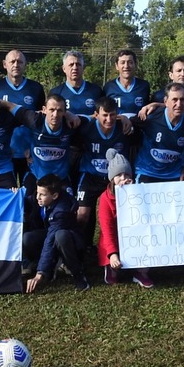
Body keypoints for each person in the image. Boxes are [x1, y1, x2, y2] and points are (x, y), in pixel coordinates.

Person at [74, 97, 132, 236]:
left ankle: (117, 245)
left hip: (115, 178)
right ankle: (80, 247)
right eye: (104, 115)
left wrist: (126, 119)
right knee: (82, 214)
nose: (108, 119)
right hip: (89, 175)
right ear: (96, 115)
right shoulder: (85, 128)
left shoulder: (124, 128)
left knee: (122, 213)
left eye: (112, 115)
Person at [23, 173, 90, 293]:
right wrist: (14, 195)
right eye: (37, 192)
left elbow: (50, 240)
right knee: (28, 238)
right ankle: (49, 265)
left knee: (61, 236)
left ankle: (77, 273)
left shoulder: (61, 211)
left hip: (71, 241)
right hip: (52, 233)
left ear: (54, 195)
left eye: (42, 195)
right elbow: (27, 201)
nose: (37, 197)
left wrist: (40, 273)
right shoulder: (40, 197)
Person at [97, 149, 153, 288]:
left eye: (126, 174)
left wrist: (133, 195)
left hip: (134, 236)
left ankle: (141, 272)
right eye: (119, 175)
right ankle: (111, 266)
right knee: (115, 265)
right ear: (112, 179)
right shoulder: (105, 198)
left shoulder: (138, 192)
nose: (123, 179)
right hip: (114, 238)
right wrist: (112, 254)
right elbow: (106, 228)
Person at [0, 48, 46, 181]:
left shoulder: (35, 88)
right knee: (8, 193)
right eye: (12, 61)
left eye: (20, 62)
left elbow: (39, 120)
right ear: (5, 64)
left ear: (25, 65)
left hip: (29, 153)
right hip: (4, 153)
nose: (16, 65)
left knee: (29, 195)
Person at [132, 83, 184, 183]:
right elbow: (129, 124)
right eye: (174, 99)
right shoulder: (150, 116)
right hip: (147, 172)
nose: (179, 104)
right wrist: (122, 118)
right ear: (165, 101)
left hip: (174, 174)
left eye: (182, 99)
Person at [51, 50, 104, 117]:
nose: (75, 68)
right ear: (64, 68)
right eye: (71, 65)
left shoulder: (96, 91)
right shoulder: (56, 93)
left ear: (83, 67)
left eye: (78, 64)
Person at [103, 49, 152, 119]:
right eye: (122, 62)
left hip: (138, 128)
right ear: (117, 66)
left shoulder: (144, 86)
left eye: (130, 62)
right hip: (116, 128)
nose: (126, 66)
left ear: (135, 65)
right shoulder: (108, 87)